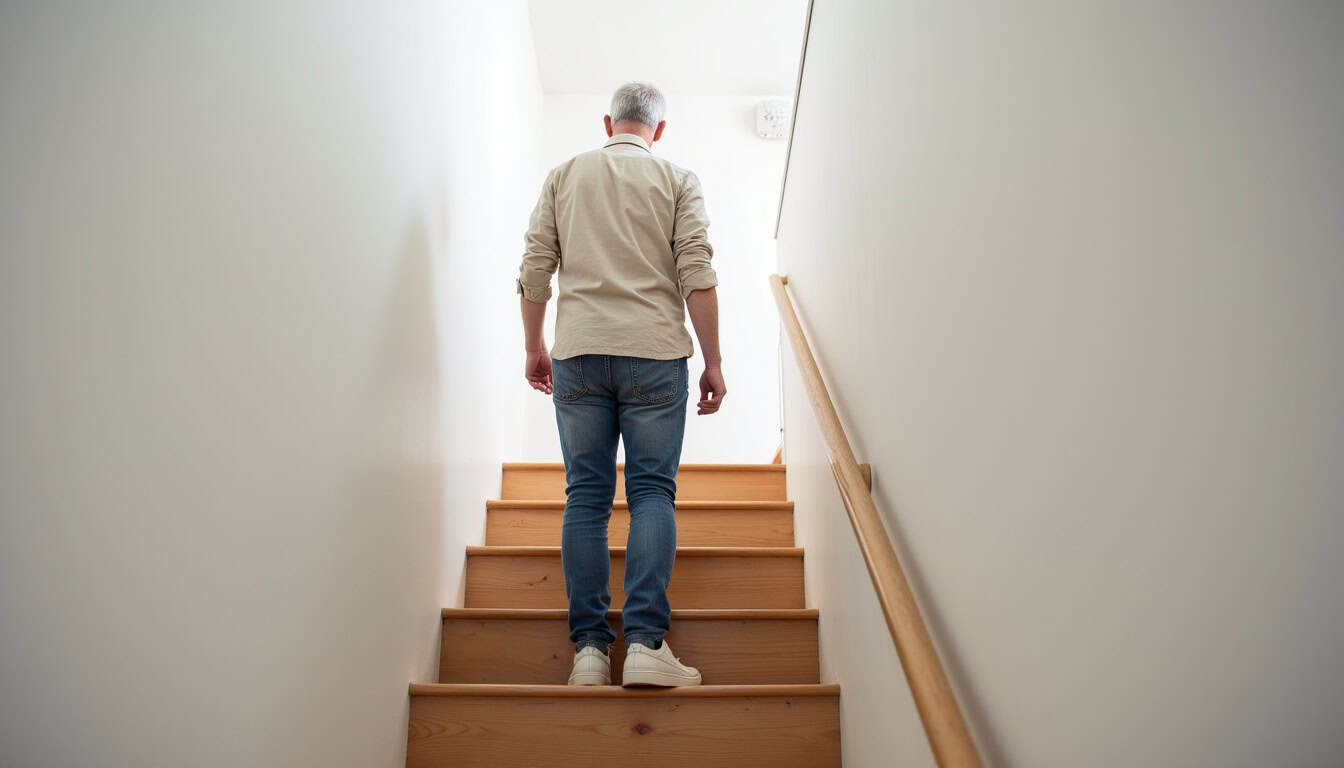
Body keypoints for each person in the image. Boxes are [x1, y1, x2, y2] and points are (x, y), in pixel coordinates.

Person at [515, 82, 726, 687]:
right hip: (656, 355)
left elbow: (534, 270)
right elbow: (698, 274)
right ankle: (644, 644)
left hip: (578, 353)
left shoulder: (564, 176)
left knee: (585, 496)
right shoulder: (678, 180)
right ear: (658, 130)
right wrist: (713, 361)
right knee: (653, 494)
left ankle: (587, 654)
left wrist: (535, 348)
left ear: (609, 122)